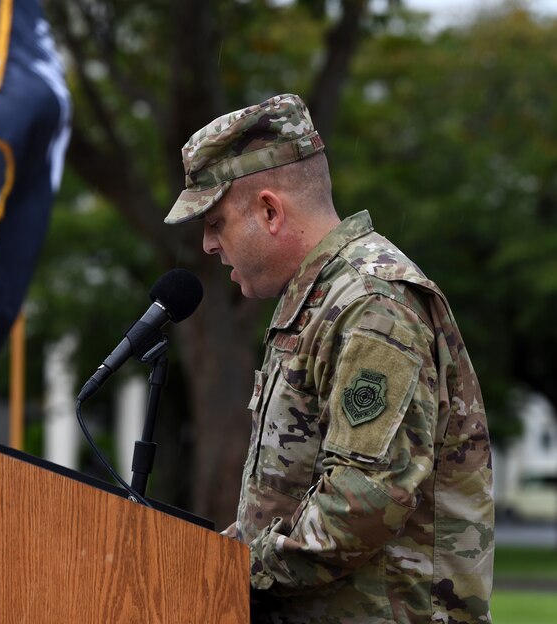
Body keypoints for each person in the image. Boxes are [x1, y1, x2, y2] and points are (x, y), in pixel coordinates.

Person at [164, 94, 494, 623]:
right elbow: (287, 497)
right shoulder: (321, 302)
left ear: (270, 211)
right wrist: (203, 557)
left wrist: (231, 572)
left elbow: (362, 504)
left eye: (215, 222)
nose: (206, 244)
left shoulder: (369, 304)